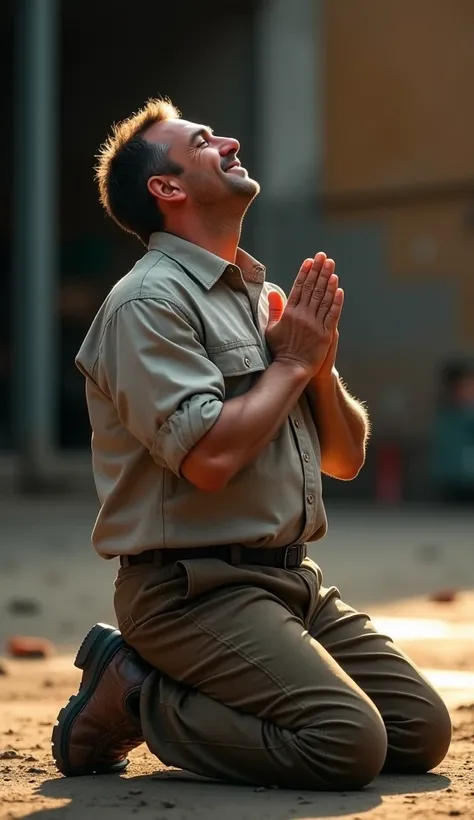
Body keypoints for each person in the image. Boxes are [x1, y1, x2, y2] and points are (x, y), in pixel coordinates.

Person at [52, 98, 451, 789]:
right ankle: (137, 691)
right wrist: (290, 366)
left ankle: (185, 685)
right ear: (167, 189)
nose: (231, 141)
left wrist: (316, 368)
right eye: (205, 142)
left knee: (419, 731)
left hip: (289, 580)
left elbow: (344, 459)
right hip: (190, 591)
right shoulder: (149, 303)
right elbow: (208, 460)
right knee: (345, 744)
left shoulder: (255, 296)